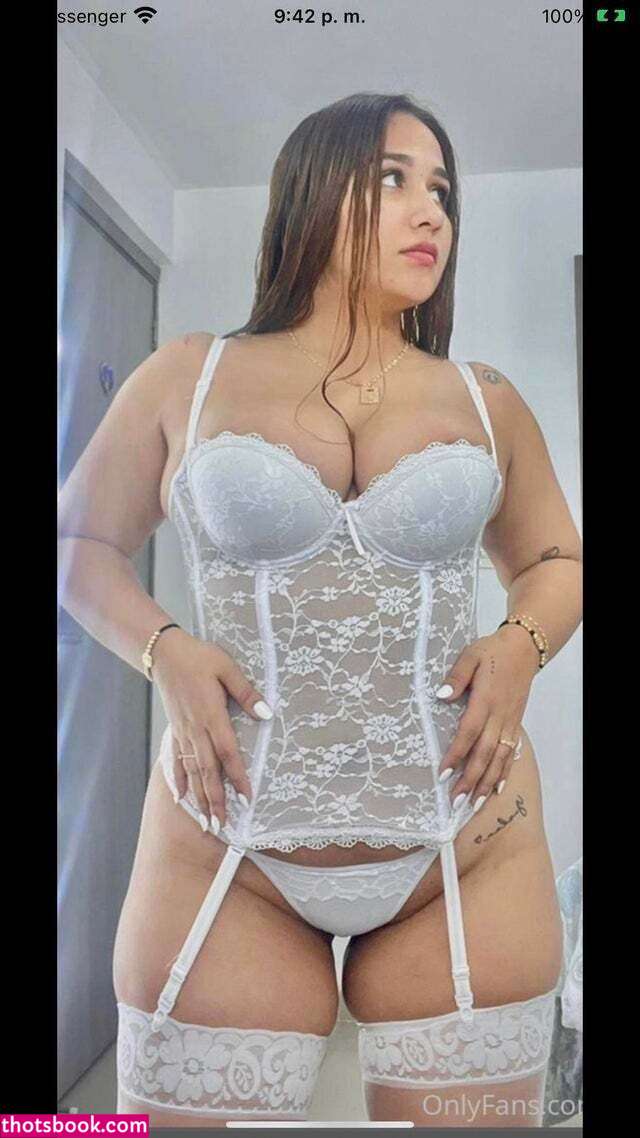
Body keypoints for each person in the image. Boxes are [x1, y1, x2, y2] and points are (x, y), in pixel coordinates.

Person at [57, 92, 583, 1127]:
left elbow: (556, 557)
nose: (430, 212)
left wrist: (522, 644)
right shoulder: (188, 376)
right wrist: (164, 649)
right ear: (310, 191)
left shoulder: (485, 399)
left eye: (442, 191)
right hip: (227, 846)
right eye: (392, 179)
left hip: (467, 843)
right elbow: (78, 546)